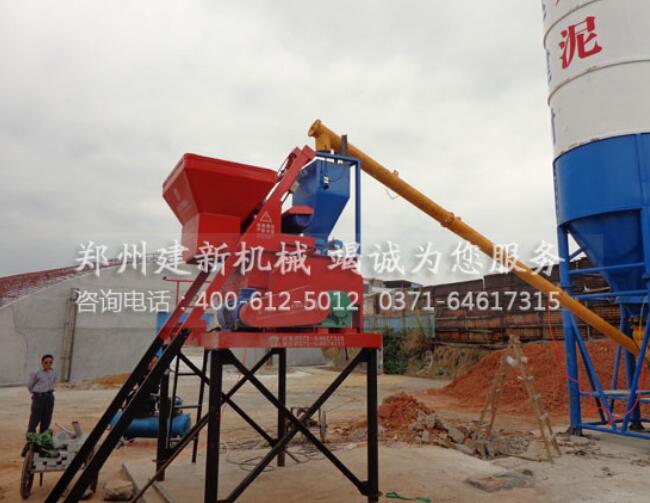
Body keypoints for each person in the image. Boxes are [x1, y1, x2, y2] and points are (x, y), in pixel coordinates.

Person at [27, 354, 57, 433]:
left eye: (50, 362)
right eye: (46, 362)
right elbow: (30, 385)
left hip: (49, 396)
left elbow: (53, 382)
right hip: (39, 397)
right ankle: (31, 435)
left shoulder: (53, 372)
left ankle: (43, 435)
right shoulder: (36, 372)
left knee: (47, 417)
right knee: (35, 417)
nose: (48, 364)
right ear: (42, 362)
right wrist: (36, 394)